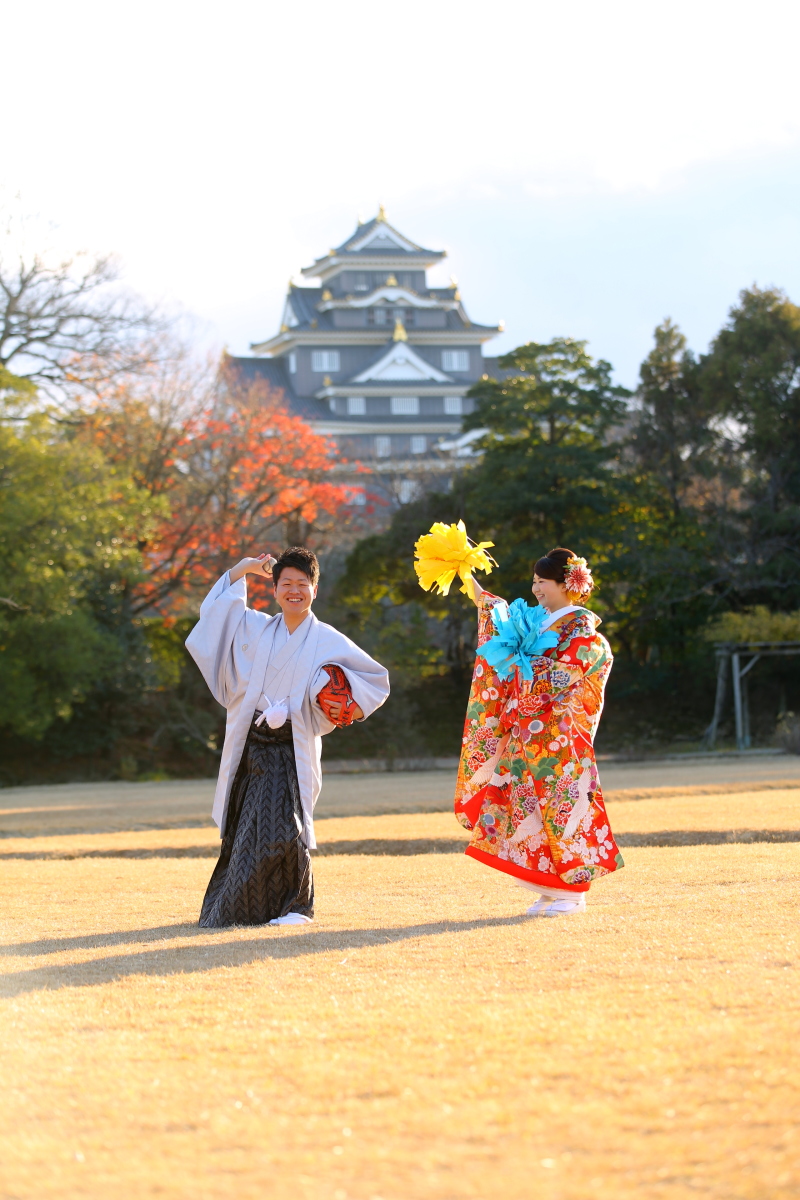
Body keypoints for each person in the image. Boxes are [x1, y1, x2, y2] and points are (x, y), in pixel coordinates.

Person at [185, 546, 389, 928]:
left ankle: (298, 906)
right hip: (252, 743)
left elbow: (375, 681)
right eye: (286, 583)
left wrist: (331, 696)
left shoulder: (329, 639)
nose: (294, 591)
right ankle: (245, 907)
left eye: (302, 584)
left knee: (284, 825)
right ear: (275, 589)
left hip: (292, 746)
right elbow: (213, 621)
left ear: (315, 589)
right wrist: (242, 569)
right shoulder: (256, 628)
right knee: (246, 826)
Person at [454, 547, 623, 917]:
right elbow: (501, 618)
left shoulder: (584, 634)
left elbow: (561, 676)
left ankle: (572, 892)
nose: (535, 589)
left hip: (561, 740)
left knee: (564, 811)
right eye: (533, 581)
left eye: (542, 581)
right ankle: (548, 888)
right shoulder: (540, 623)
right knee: (528, 814)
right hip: (529, 737)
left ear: (568, 584)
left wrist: (521, 662)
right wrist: (469, 580)